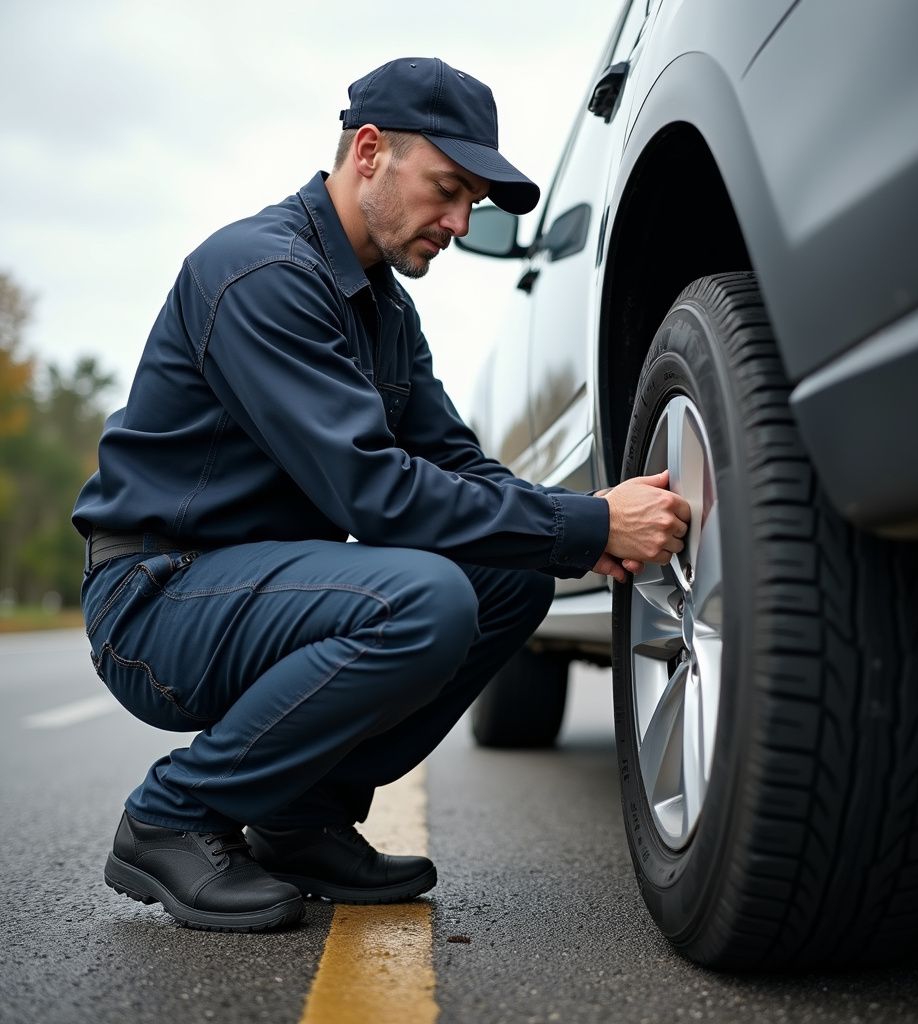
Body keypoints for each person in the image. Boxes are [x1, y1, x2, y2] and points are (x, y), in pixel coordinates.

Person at [72, 58, 690, 933]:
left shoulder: (385, 313)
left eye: (471, 200)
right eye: (447, 189)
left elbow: (456, 463)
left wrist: (576, 533)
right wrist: (583, 517)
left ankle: (300, 816)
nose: (459, 221)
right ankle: (172, 815)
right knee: (427, 601)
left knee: (510, 579)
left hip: (258, 586)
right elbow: (375, 495)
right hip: (159, 597)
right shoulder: (260, 274)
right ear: (370, 152)